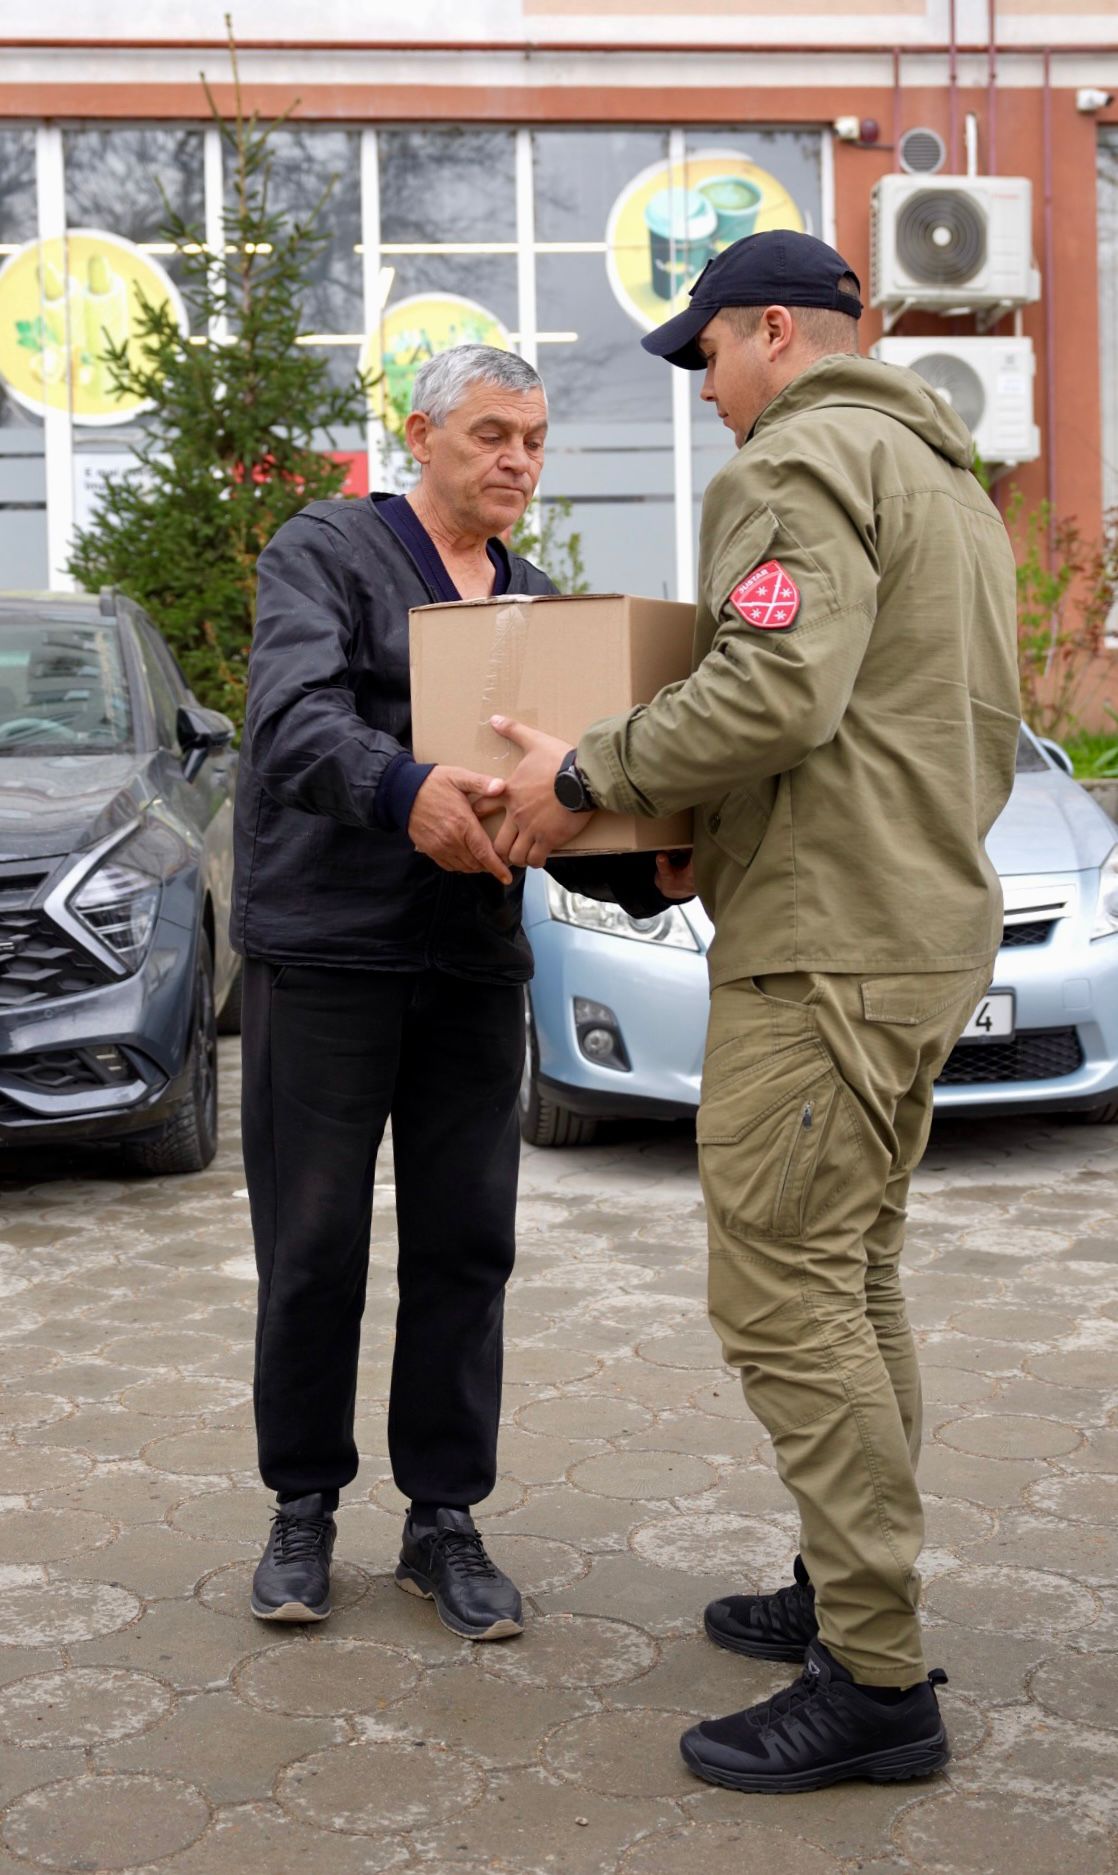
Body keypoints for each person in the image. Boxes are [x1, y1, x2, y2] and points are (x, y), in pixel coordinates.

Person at [489, 230, 1020, 1790]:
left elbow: (773, 690)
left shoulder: (793, 464)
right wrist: (705, 840)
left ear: (773, 330)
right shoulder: (944, 481)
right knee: (850, 1274)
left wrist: (584, 771)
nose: (704, 389)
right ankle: (840, 1588)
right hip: (913, 923)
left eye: (707, 354)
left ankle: (873, 1678)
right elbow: (901, 725)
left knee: (783, 1291)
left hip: (827, 946)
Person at [231, 344, 553, 1640]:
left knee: (467, 1246)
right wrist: (402, 787)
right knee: (312, 1246)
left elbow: (558, 791)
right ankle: (302, 1507)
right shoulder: (325, 551)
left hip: (471, 963)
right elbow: (289, 721)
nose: (517, 460)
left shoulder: (536, 606)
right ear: (419, 435)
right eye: (490, 434)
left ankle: (444, 1519)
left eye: (533, 439)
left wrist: (647, 856)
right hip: (328, 955)